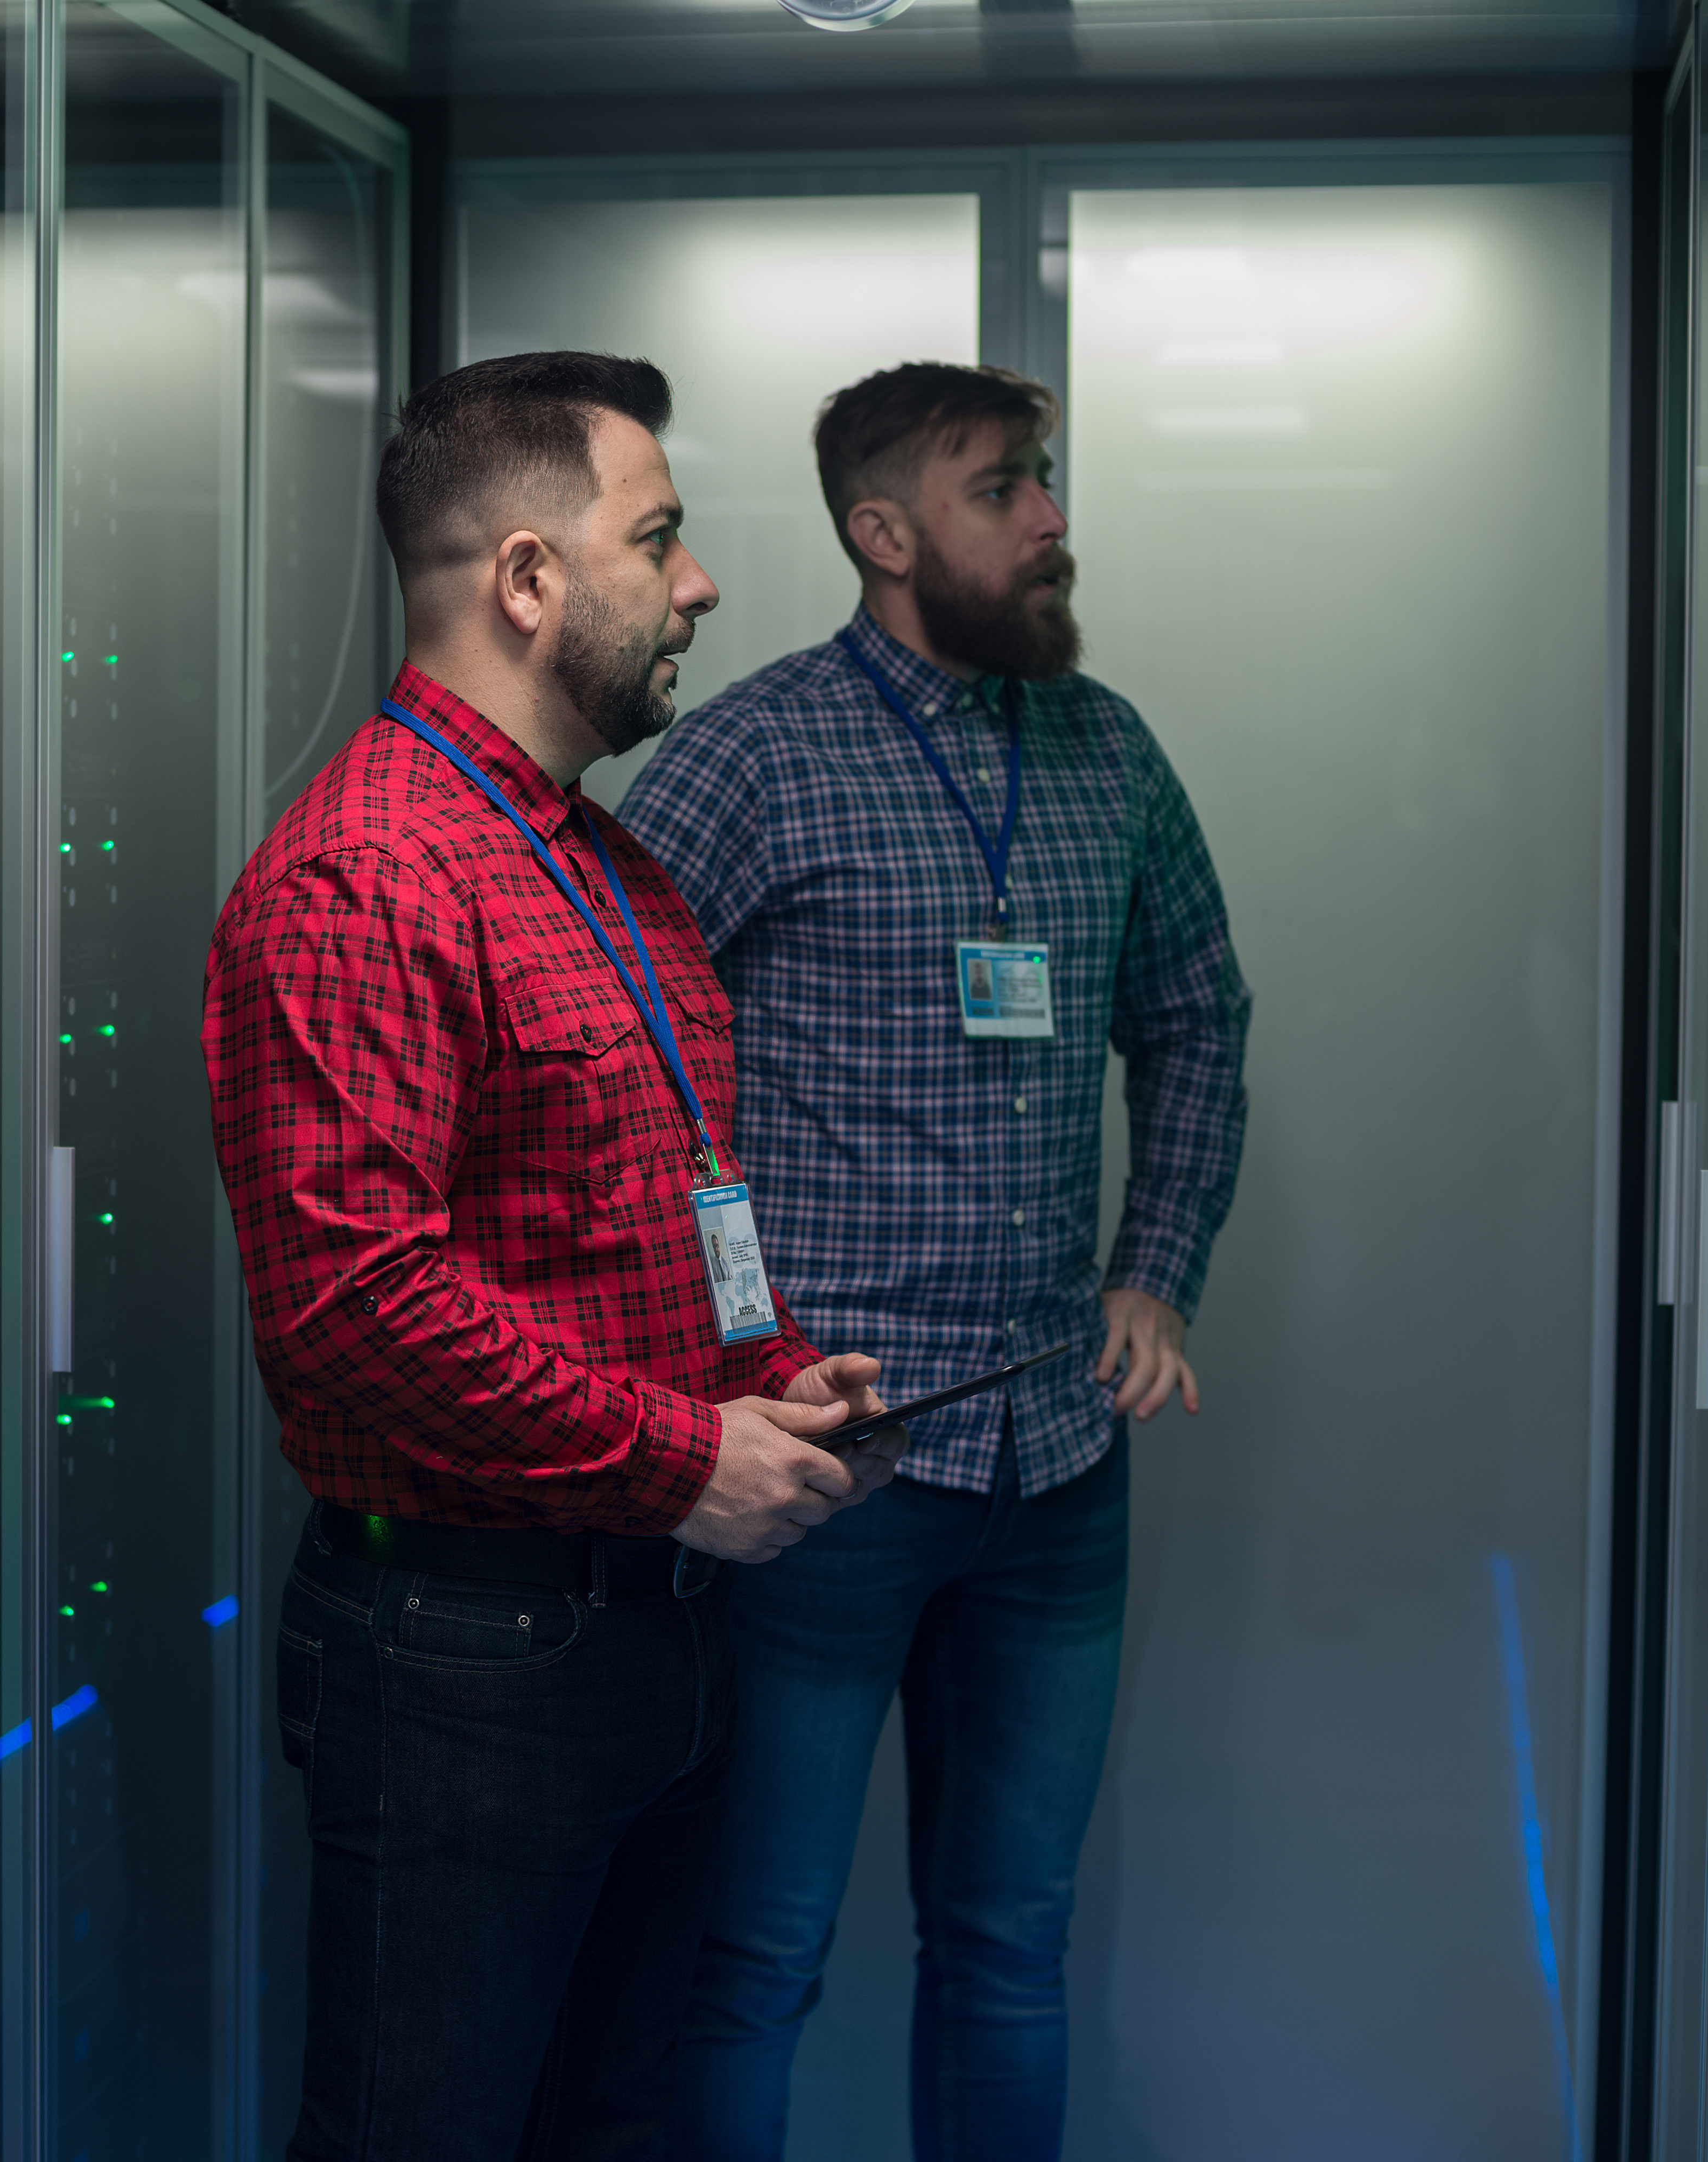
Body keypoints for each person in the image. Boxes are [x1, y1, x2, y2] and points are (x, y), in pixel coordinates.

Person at [203, 350, 906, 2162]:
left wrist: (773, 1383)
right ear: (527, 580)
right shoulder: (366, 873)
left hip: (655, 1644)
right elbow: (356, 1306)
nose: (701, 585)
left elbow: (669, 1212)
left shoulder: (603, 869)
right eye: (657, 539)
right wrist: (689, 1459)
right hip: (464, 1662)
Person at [617, 361, 1251, 2160]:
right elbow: (626, 1072)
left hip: (1058, 1474)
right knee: (755, 1959)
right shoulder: (754, 752)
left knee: (1006, 1950)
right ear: (882, 535)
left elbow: (1198, 1018)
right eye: (1002, 491)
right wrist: (732, 1352)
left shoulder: (1108, 749)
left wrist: (1159, 1268)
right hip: (832, 1474)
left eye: (1043, 482)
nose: (1051, 521)